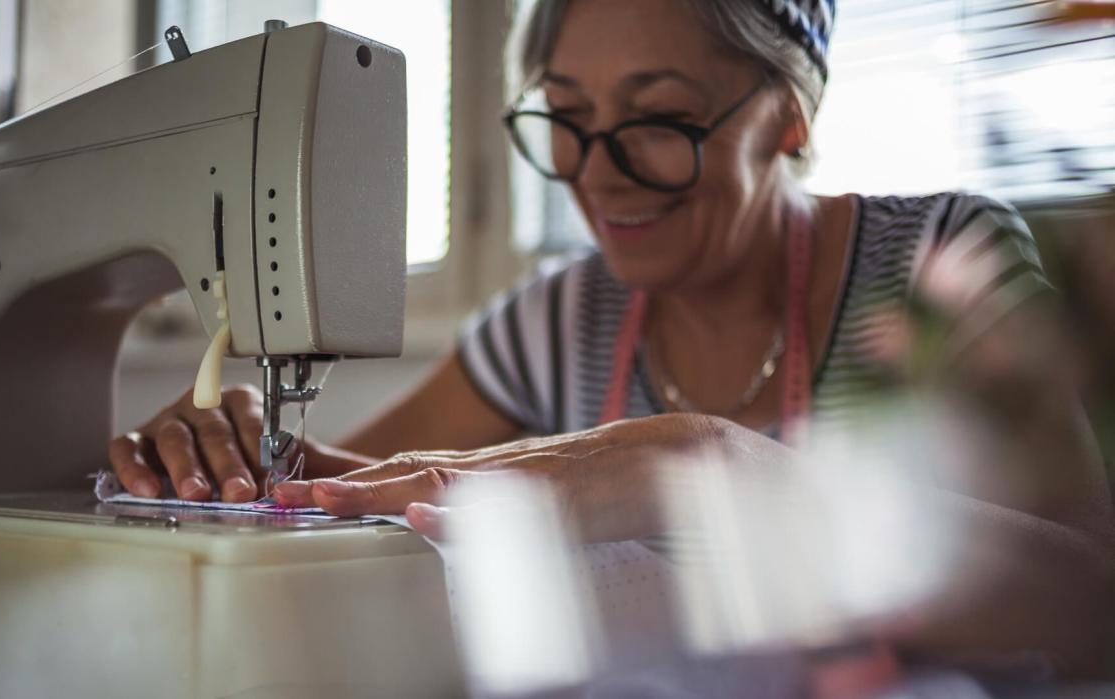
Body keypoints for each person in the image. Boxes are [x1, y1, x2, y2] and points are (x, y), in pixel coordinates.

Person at [109, 0, 1115, 681]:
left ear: (792, 117)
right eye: (568, 116)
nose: (599, 175)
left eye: (659, 120)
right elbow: (366, 489)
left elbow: (1086, 604)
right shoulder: (555, 324)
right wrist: (244, 460)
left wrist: (710, 465)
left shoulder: (941, 262)